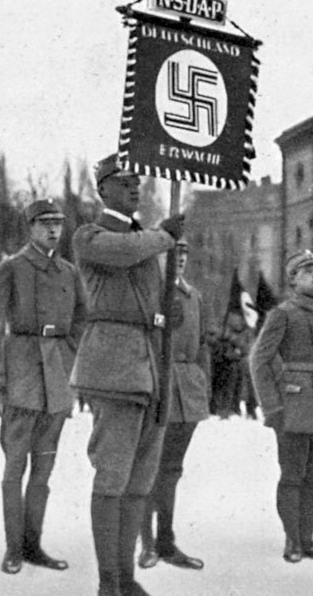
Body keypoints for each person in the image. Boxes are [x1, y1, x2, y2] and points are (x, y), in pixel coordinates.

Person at [70, 154, 182, 596]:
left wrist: (165, 311)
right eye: (125, 181)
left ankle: (126, 578)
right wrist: (163, 236)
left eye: (138, 180)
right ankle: (107, 582)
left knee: (139, 482)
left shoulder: (145, 238)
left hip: (149, 366)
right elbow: (122, 254)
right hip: (114, 366)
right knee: (113, 477)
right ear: (103, 190)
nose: (136, 187)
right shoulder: (91, 235)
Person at [0, 198, 88, 575]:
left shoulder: (70, 273)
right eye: (45, 224)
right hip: (21, 373)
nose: (53, 230)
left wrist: (73, 364)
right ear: (31, 228)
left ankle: (33, 544)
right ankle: (13, 548)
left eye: (58, 223)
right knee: (14, 467)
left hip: (57, 379)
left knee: (44, 469)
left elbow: (82, 323)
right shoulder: (12, 269)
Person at [250, 249, 313, 565]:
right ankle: (292, 540)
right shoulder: (282, 314)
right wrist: (272, 406)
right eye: (307, 272)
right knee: (292, 475)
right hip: (294, 406)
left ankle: (307, 538)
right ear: (292, 280)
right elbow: (259, 360)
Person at [138, 238, 208, 572]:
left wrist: (203, 384)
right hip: (157, 384)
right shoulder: (152, 294)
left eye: (184, 254)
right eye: (172, 254)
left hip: (188, 391)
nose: (179, 259)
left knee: (171, 471)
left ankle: (166, 541)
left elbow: (203, 344)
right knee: (148, 469)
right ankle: (147, 543)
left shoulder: (194, 296)